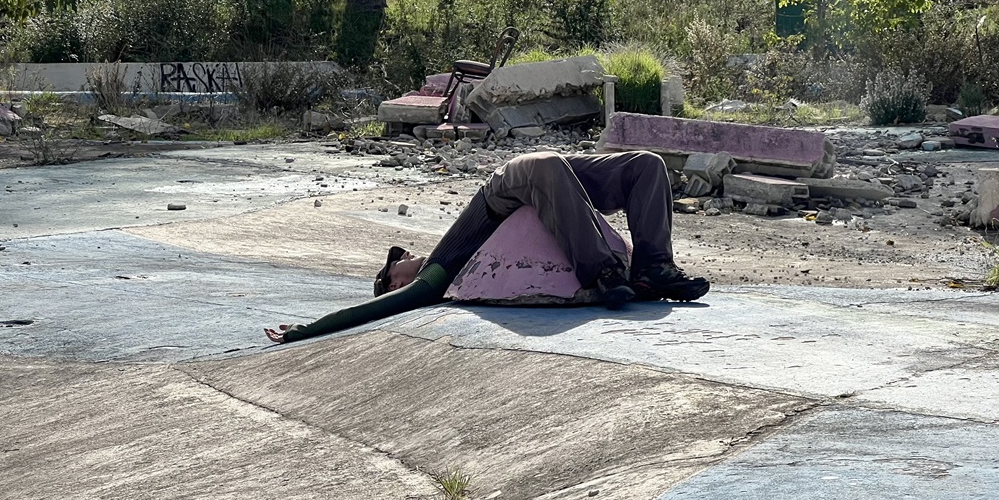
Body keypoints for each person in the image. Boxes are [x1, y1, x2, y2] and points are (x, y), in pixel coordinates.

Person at [265, 150, 709, 344]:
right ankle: (603, 272)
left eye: (391, 272)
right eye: (390, 279)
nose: (396, 269)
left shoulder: (433, 249)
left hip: (521, 181)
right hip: (516, 188)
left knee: (646, 167)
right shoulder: (433, 274)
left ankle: (655, 267)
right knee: (546, 163)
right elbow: (378, 310)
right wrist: (308, 329)